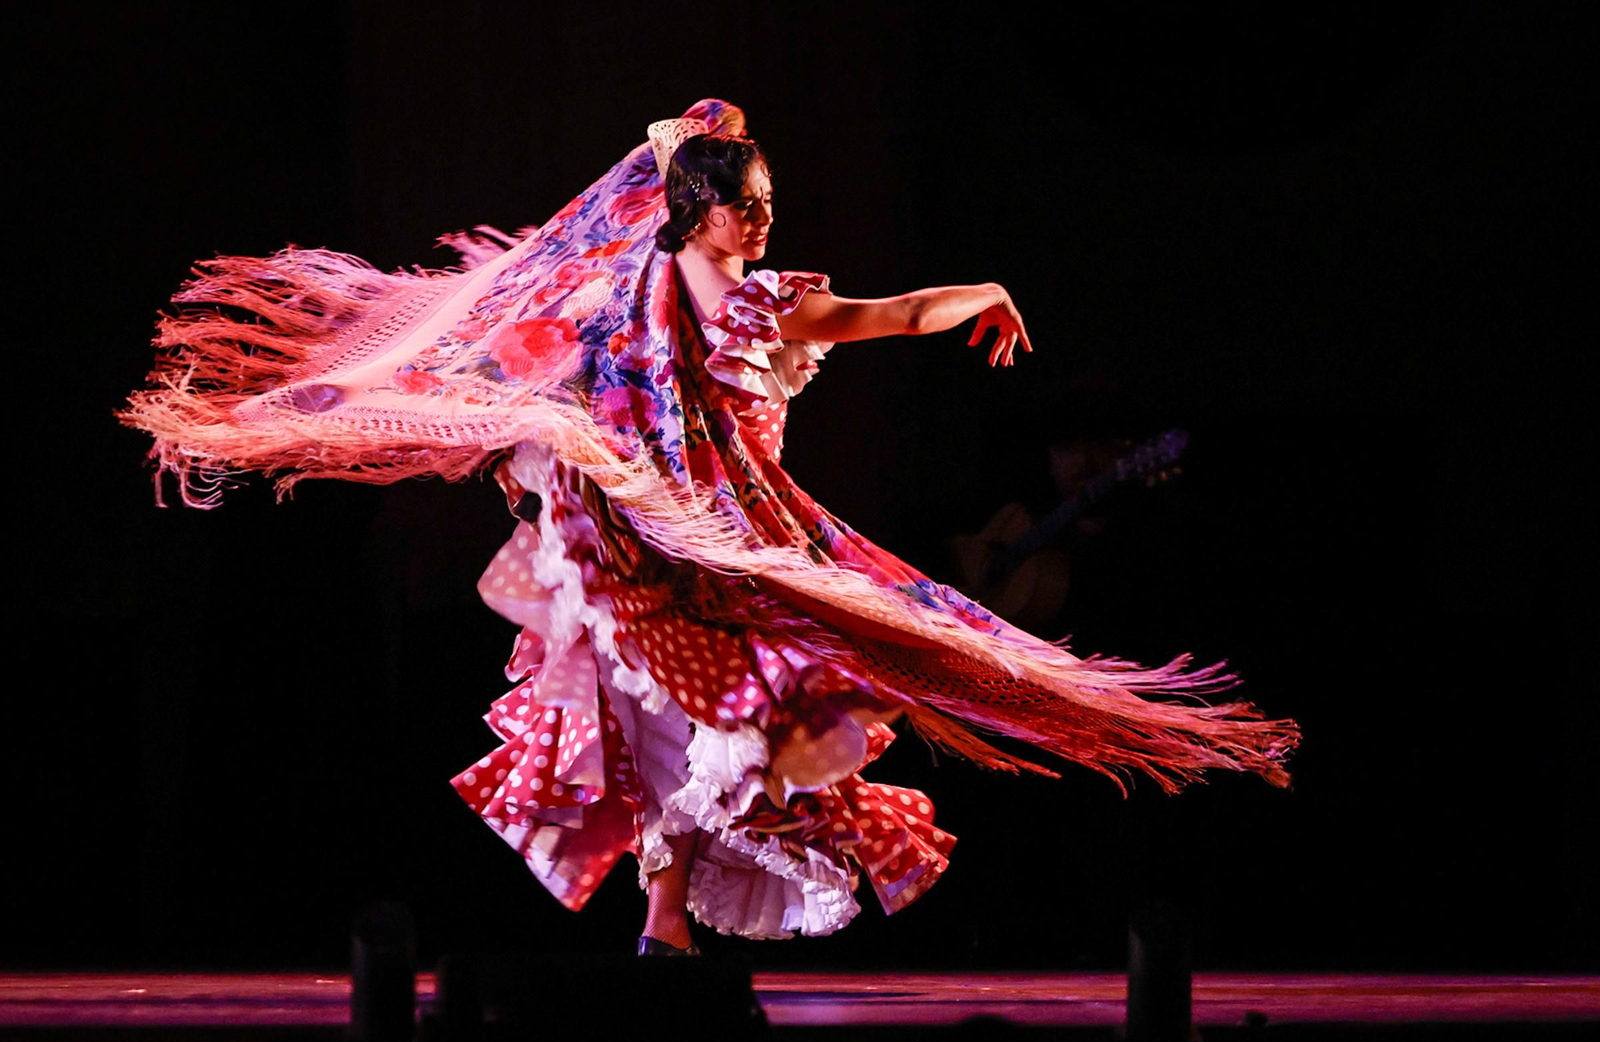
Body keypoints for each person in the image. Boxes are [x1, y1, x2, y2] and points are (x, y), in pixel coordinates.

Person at [121, 99, 1298, 957]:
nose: (767, 221)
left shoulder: (748, 297)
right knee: (679, 711)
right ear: (706, 213)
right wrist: (685, 145)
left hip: (724, 543)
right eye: (751, 205)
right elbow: (650, 208)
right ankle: (673, 908)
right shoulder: (638, 287)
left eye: (770, 206)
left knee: (720, 716)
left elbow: (885, 309)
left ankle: (670, 916)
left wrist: (973, 293)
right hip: (647, 532)